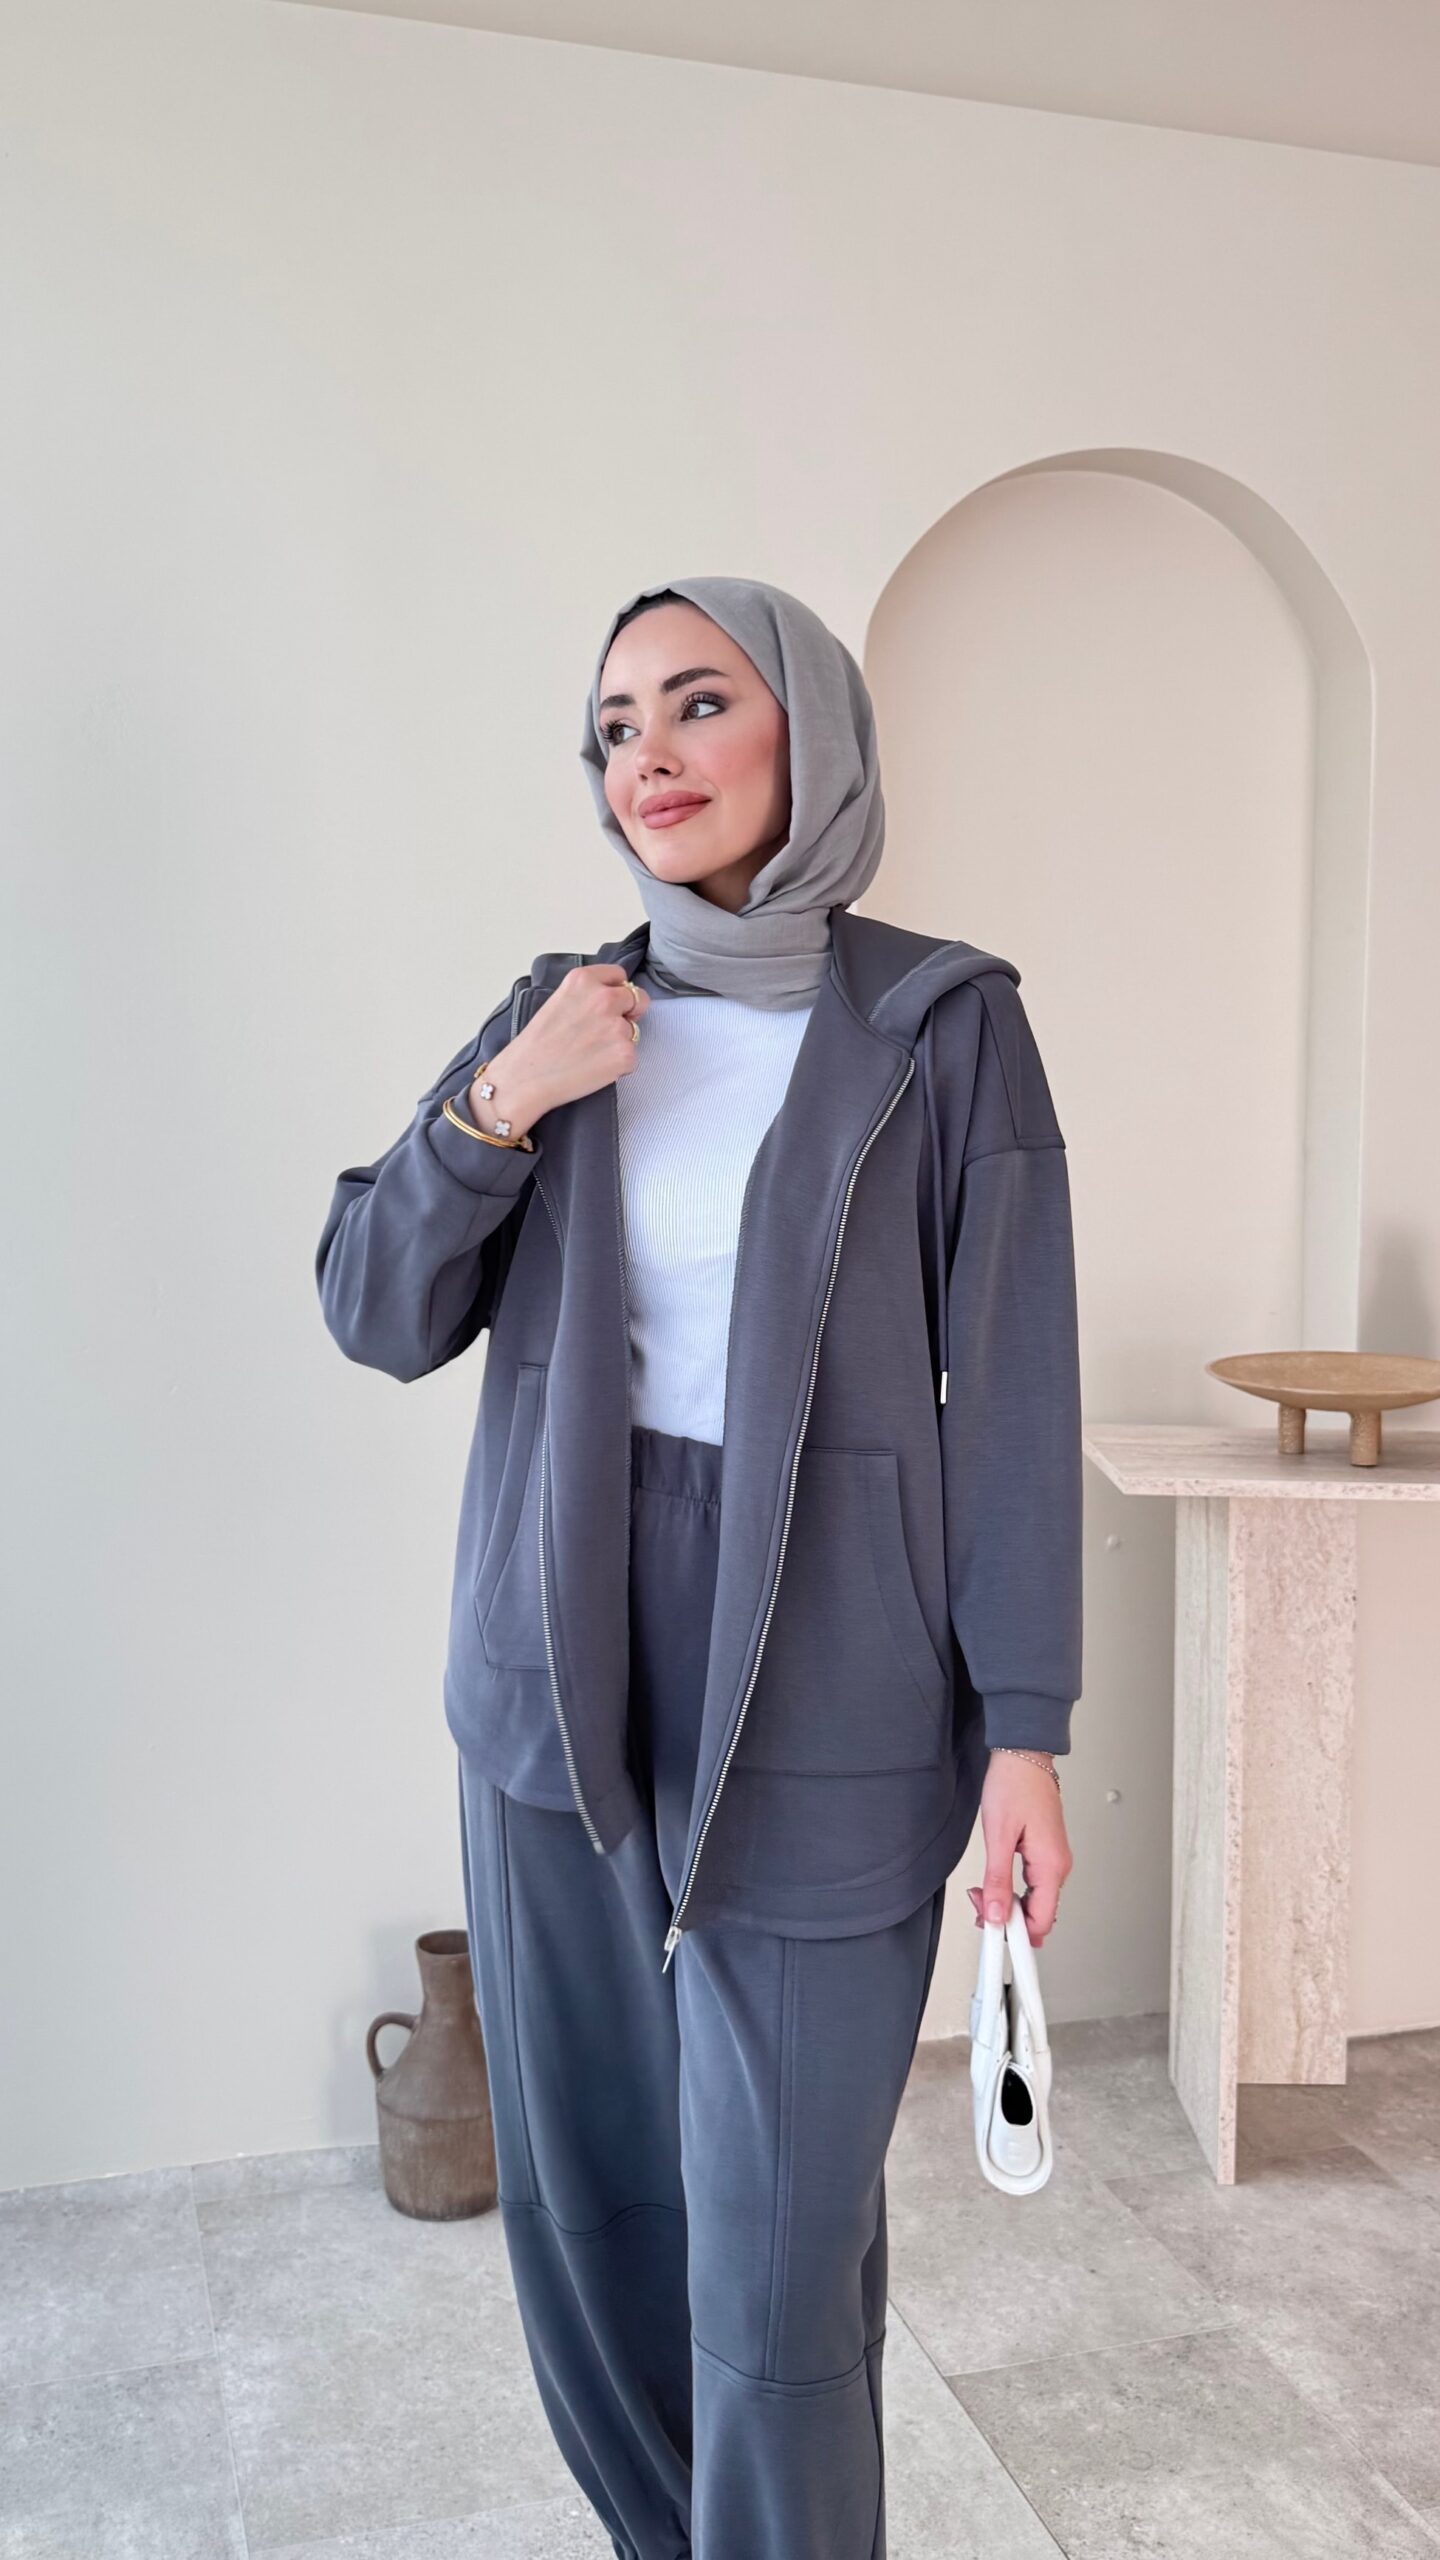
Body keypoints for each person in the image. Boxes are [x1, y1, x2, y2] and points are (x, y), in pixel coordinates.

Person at [315, 575, 1082, 2559]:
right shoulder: (567, 1009)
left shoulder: (941, 1025)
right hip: (558, 1658)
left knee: (775, 2268)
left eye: (695, 703)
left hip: (833, 1663)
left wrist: (1025, 1730)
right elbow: (376, 1308)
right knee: (593, 2219)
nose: (643, 755)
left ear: (808, 727)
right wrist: (507, 1101)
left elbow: (1011, 1388)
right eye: (611, 727)